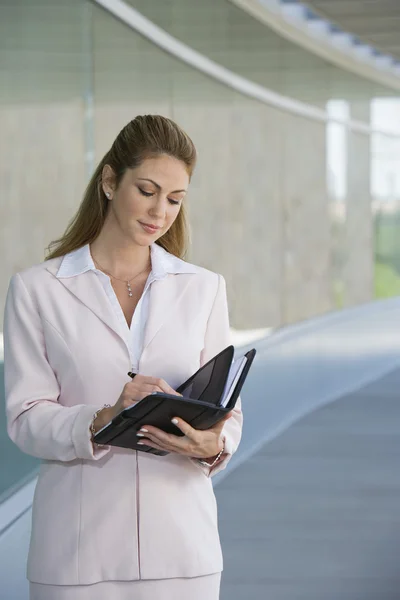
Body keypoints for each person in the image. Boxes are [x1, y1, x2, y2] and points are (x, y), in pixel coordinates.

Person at [3, 115, 243, 600]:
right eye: (148, 190)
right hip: (76, 554)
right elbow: (24, 419)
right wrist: (105, 417)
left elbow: (229, 412)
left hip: (182, 549)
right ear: (110, 182)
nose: (161, 211)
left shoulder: (203, 289)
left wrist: (213, 445)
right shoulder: (37, 290)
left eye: (175, 199)